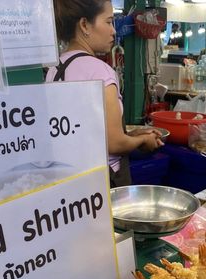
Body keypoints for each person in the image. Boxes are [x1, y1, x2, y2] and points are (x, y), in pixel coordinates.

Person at [47, 0, 163, 186]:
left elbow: (88, 132)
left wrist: (134, 135)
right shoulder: (101, 71)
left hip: (72, 177)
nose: (114, 31)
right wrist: (144, 139)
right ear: (84, 25)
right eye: (108, 22)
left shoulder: (55, 69)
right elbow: (114, 144)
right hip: (106, 180)